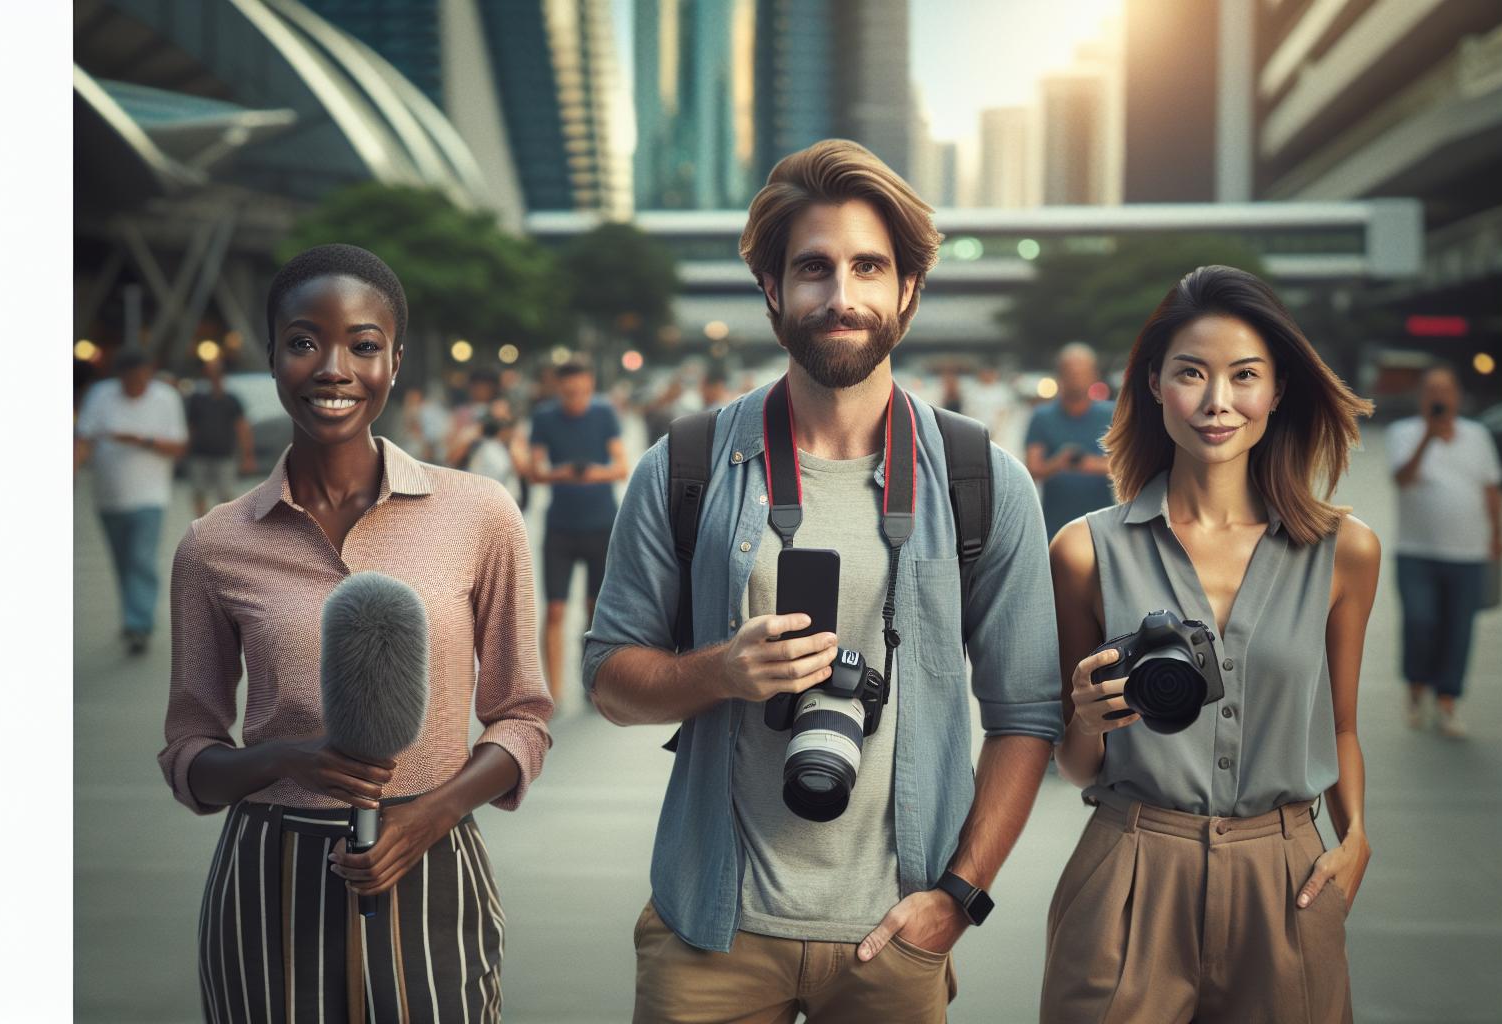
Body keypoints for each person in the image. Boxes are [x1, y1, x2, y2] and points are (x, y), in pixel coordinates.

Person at [584, 139, 1061, 1023]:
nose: (841, 297)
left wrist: (959, 897)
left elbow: (1027, 712)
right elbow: (610, 680)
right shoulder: (686, 464)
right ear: (772, 289)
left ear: (908, 289)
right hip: (709, 930)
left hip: (897, 930)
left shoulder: (982, 480)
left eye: (869, 267)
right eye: (813, 269)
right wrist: (718, 672)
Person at [158, 243, 552, 1021]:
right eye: (304, 342)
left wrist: (434, 813)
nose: (334, 367)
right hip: (268, 878)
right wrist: (281, 758)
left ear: (394, 361)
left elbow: (524, 718)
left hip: (432, 863)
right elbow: (188, 756)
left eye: (363, 345)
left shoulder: (479, 514)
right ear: (272, 356)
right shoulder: (214, 544)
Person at [1043, 265, 1380, 1022]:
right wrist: (1087, 720)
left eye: (1244, 376)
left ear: (1278, 390)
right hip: (1129, 870)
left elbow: (1344, 726)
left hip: (1289, 879)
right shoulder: (1082, 552)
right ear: (1155, 383)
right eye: (1192, 373)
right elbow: (1074, 761)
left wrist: (1356, 839)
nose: (1218, 402)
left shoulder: (1345, 551)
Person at [1386, 365, 1502, 738]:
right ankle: (1416, 688)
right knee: (1421, 622)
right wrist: (1428, 439)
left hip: (1469, 553)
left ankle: (1448, 702)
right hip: (1415, 552)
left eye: (1446, 390)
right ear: (1423, 397)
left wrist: (1497, 537)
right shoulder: (1403, 433)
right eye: (1432, 390)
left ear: (1457, 396)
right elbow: (1402, 479)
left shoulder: (1478, 435)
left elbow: (1490, 489)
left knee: (1458, 631)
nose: (1439, 397)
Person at [75, 347, 189, 654]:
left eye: (141, 379)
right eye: (129, 380)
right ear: (119, 377)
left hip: (150, 495)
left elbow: (179, 447)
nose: (136, 386)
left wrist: (143, 441)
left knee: (141, 559)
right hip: (108, 496)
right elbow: (83, 439)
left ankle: (138, 624)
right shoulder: (101, 395)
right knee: (123, 561)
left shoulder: (165, 397)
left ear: (149, 374)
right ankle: (132, 615)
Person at [527, 359, 627, 701]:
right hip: (561, 527)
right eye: (569, 393)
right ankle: (551, 693)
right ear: (558, 389)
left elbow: (621, 467)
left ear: (591, 386)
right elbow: (536, 470)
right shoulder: (543, 417)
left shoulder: (604, 413)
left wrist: (589, 474)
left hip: (602, 524)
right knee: (555, 608)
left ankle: (592, 683)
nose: (576, 399)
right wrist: (566, 473)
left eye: (583, 392)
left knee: (594, 607)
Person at [1026, 342, 1119, 538]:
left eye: (1082, 372)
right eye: (1070, 372)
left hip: (1103, 524)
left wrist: (1090, 464)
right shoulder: (1042, 417)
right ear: (1060, 375)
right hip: (1056, 525)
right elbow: (1032, 470)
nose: (1076, 378)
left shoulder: (1111, 414)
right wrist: (1058, 462)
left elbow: (1130, 466)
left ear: (1094, 375)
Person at [184, 357, 258, 517]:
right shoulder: (197, 399)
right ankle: (202, 526)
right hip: (199, 454)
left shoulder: (231, 400)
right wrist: (184, 449)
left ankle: (222, 527)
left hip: (224, 454)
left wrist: (247, 455)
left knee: (226, 494)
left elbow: (242, 429)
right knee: (199, 492)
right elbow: (191, 427)